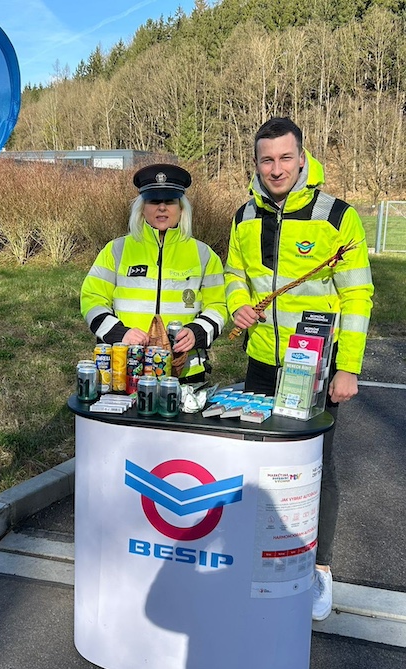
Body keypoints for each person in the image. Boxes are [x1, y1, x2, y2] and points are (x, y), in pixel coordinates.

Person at [224, 117, 374, 621]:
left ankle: (320, 568)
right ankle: (259, 556)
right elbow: (233, 273)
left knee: (316, 467)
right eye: (267, 159)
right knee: (257, 466)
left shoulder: (337, 216)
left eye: (285, 158)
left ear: (303, 157)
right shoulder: (243, 215)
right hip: (262, 363)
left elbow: (357, 295)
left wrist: (347, 368)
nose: (276, 169)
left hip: (316, 368)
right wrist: (238, 304)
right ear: (255, 163)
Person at [81, 163, 227, 383]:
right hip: (126, 369)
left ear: (181, 208)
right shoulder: (116, 250)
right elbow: (91, 299)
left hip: (185, 371)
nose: (162, 208)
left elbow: (218, 306)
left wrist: (197, 332)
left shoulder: (204, 254)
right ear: (142, 208)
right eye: (153, 201)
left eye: (170, 201)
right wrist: (121, 334)